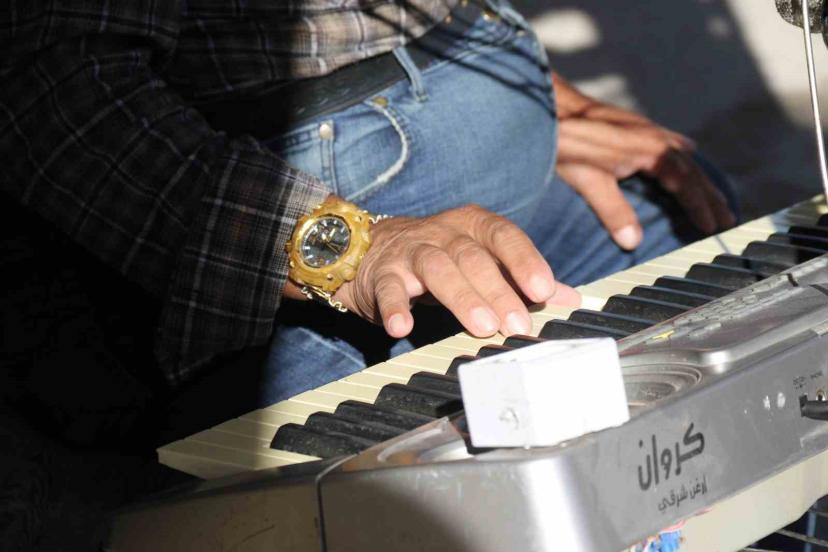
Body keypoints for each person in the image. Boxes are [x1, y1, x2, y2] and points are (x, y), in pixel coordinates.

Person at [0, 0, 736, 440]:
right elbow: (57, 94)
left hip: (484, 172)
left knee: (695, 242)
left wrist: (535, 103)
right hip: (323, 234)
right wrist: (353, 252)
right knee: (382, 472)